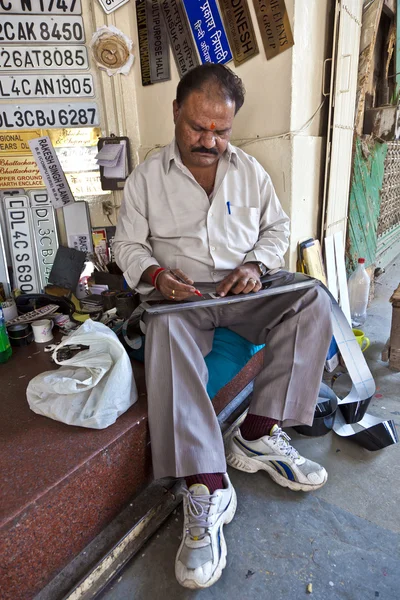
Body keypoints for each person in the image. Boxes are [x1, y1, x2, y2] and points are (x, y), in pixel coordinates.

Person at [114, 63, 332, 590]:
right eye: (197, 128)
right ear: (176, 113)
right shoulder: (146, 178)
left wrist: (255, 265)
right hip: (181, 298)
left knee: (312, 299)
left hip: (240, 292)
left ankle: (257, 434)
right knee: (164, 331)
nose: (209, 141)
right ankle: (207, 484)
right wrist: (157, 275)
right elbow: (126, 245)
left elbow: (277, 228)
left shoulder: (249, 171)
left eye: (221, 130)